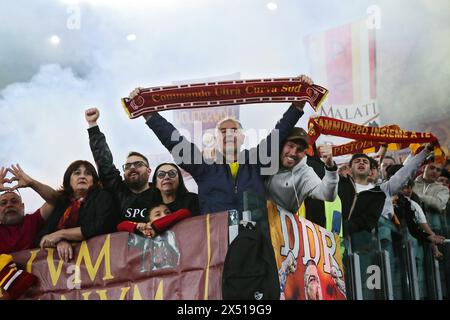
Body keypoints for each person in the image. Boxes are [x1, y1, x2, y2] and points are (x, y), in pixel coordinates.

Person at [131, 75, 315, 214]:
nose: (228, 134)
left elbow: (279, 133)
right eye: (223, 131)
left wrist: (298, 103)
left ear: (243, 138)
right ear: (216, 139)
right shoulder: (204, 167)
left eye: (233, 130)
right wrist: (149, 113)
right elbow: (174, 140)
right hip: (216, 243)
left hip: (255, 241)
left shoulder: (257, 162)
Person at [339, 143, 434, 236]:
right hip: (351, 238)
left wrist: (426, 151)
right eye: (366, 167)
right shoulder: (344, 188)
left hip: (382, 239)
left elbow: (406, 171)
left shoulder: (384, 189)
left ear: (378, 171)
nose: (371, 171)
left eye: (373, 168)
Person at [33, 160, 116, 262]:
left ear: (94, 180)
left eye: (88, 173)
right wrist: (60, 242)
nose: (82, 176)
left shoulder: (102, 196)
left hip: (100, 261)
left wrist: (61, 234)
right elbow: (41, 237)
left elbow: (101, 226)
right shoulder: (62, 204)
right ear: (69, 180)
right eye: (77, 173)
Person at [85, 108, 155, 223]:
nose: (132, 168)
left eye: (138, 164)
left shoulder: (160, 193)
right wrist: (92, 125)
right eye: (128, 166)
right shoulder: (118, 191)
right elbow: (104, 163)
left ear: (149, 170)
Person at [264, 127, 339, 213]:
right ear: (282, 145)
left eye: (299, 149)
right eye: (290, 146)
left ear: (304, 153)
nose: (293, 153)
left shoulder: (304, 173)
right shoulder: (266, 160)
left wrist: (330, 167)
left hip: (278, 225)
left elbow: (328, 195)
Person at [0, 165, 57, 254]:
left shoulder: (32, 221)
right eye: (3, 203)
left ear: (22, 206)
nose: (9, 205)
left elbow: (55, 200)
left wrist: (31, 183)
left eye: (14, 201)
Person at [117, 202, 192, 238]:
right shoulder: (146, 230)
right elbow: (120, 226)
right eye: (157, 214)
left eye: (167, 212)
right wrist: (137, 227)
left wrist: (155, 227)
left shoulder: (175, 225)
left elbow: (185, 212)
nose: (164, 215)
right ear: (149, 220)